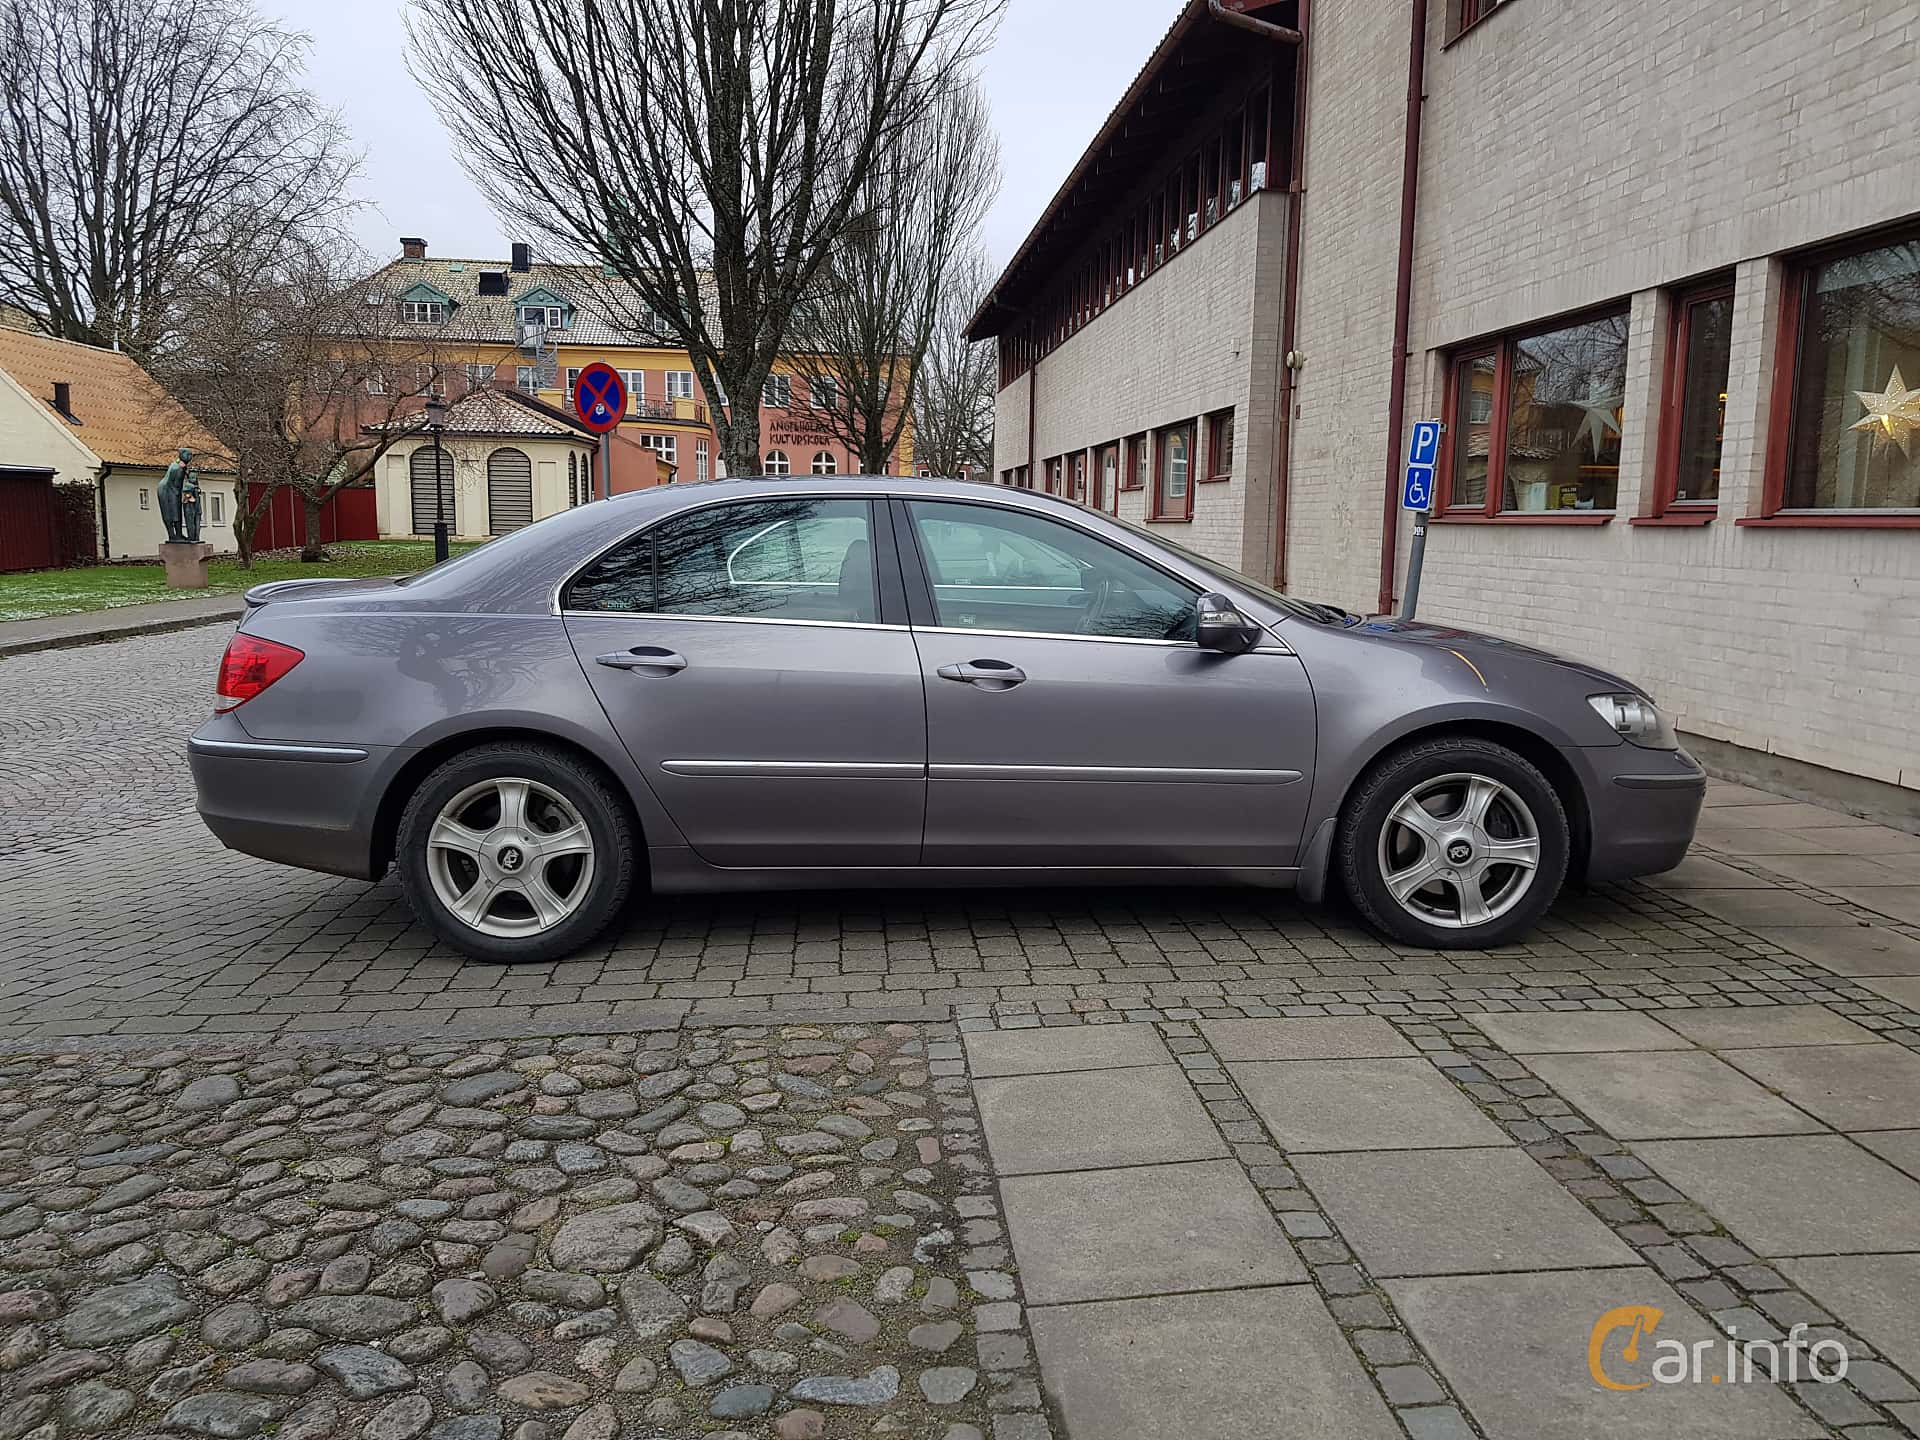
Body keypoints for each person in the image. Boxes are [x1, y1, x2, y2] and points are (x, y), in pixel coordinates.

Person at [157, 448, 194, 544]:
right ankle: (172, 535)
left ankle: (178, 534)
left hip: (170, 488)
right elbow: (177, 485)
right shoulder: (178, 468)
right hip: (167, 490)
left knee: (176, 511)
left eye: (191, 455)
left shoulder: (179, 464)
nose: (190, 457)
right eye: (187, 455)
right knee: (172, 511)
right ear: (181, 455)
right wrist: (185, 495)